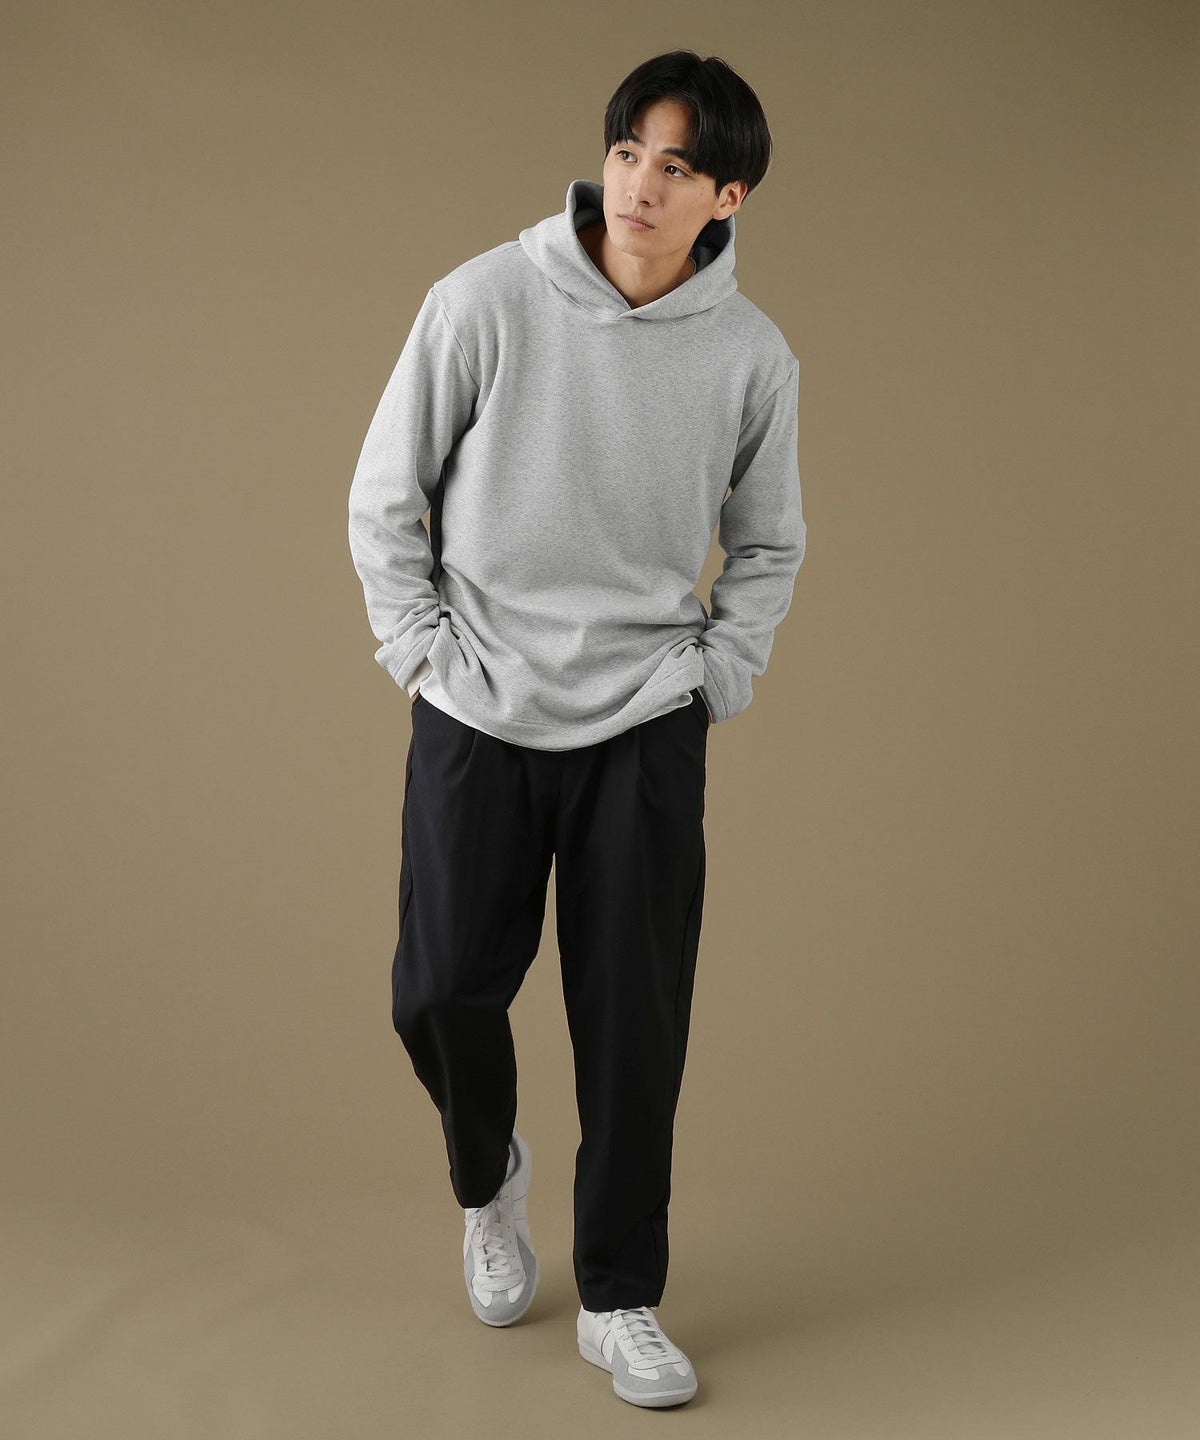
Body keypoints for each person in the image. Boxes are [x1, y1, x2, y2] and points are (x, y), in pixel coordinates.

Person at [347, 49, 807, 1409]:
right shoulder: (484, 299)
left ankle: (620, 1298)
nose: (640, 186)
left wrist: (719, 674)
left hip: (646, 722)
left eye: (676, 167)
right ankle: (487, 1176)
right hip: (477, 704)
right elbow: (384, 493)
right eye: (626, 154)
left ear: (728, 196)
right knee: (438, 991)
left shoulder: (751, 355)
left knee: (632, 1027)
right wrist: (418, 649)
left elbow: (769, 542)